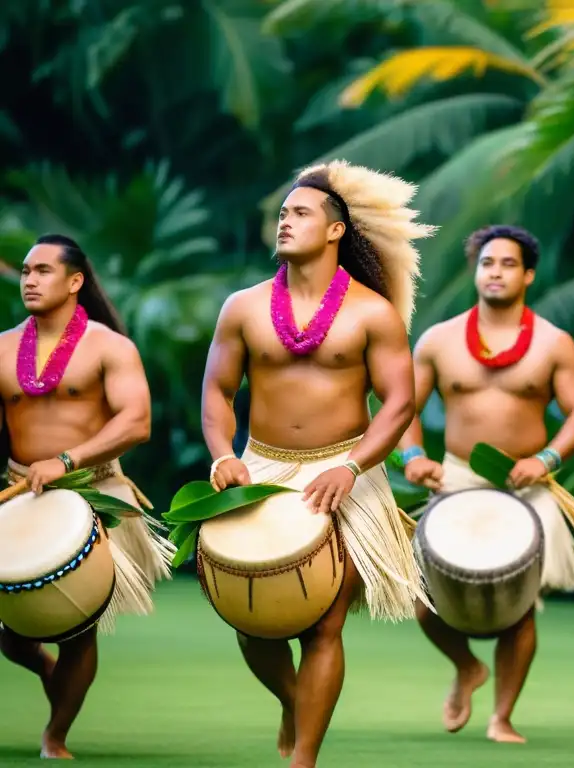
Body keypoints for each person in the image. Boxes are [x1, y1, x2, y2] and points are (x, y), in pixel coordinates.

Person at [201, 160, 436, 768]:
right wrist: (223, 455)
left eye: (300, 213)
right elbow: (218, 394)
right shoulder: (244, 308)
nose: (285, 221)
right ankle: (292, 700)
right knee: (250, 619)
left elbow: (400, 403)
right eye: (282, 213)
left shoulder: (371, 314)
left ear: (335, 231)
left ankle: (304, 758)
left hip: (345, 470)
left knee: (322, 625)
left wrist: (353, 469)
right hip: (262, 468)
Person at [395, 224, 574, 744]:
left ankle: (502, 716)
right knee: (425, 595)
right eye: (488, 263)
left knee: (520, 605)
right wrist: (414, 456)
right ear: (476, 271)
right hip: (457, 477)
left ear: (528, 274)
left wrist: (547, 458)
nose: (496, 272)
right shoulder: (440, 340)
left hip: (525, 484)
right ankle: (466, 667)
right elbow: (403, 410)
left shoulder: (554, 343)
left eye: (508, 264)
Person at [0, 234, 174, 759]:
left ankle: (55, 735)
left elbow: (137, 421)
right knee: (11, 634)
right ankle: (46, 670)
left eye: (44, 270)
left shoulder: (109, 346)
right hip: (18, 490)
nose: (30, 279)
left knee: (77, 625)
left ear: (75, 281)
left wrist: (68, 461)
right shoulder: (4, 347)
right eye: (27, 270)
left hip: (91, 491)